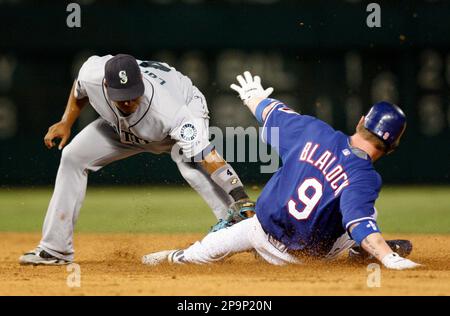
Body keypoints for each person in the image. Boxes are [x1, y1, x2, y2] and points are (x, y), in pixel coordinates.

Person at [142, 71, 421, 270]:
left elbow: (271, 112)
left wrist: (253, 97)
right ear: (393, 145)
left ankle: (167, 258)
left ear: (361, 121)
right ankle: (363, 252)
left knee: (193, 256)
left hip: (257, 231)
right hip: (304, 261)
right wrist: (388, 257)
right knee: (366, 212)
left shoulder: (314, 131)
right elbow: (359, 223)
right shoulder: (365, 178)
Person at [19, 55, 255, 265]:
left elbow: (208, 155)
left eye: (132, 95)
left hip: (179, 111)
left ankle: (244, 231)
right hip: (121, 129)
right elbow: (79, 88)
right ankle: (55, 249)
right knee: (72, 156)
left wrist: (239, 195)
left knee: (191, 164)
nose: (128, 102)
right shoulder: (92, 73)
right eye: (121, 97)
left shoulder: (171, 111)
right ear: (105, 85)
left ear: (140, 82)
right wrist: (66, 122)